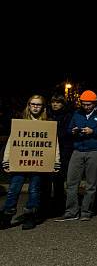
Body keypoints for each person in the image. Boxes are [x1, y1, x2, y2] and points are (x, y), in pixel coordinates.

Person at [1, 95, 60, 230]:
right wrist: (6, 160)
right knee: (13, 189)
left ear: (43, 107)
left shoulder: (48, 123)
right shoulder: (21, 122)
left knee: (34, 190)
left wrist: (56, 161)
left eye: (38, 104)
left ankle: (30, 216)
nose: (35, 106)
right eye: (33, 104)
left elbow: (54, 144)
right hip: (21, 162)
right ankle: (6, 215)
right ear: (28, 105)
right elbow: (12, 142)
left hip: (38, 163)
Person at [55, 90, 97, 222]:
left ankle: (86, 211)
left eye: (89, 104)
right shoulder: (77, 114)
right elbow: (69, 130)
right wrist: (73, 131)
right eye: (84, 104)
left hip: (95, 151)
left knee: (91, 184)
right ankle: (71, 211)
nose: (86, 107)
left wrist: (93, 131)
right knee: (71, 182)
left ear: (94, 103)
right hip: (77, 151)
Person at [47, 93, 73, 217]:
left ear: (62, 104)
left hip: (63, 150)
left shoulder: (68, 116)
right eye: (53, 102)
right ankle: (46, 204)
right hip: (48, 150)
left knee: (59, 177)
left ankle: (59, 205)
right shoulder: (47, 114)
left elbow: (66, 133)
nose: (55, 104)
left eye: (58, 102)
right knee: (47, 178)